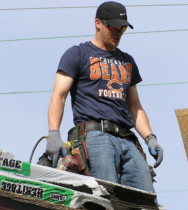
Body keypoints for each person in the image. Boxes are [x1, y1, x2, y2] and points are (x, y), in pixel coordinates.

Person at [45, 1, 163, 195]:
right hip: (96, 136)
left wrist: (150, 138)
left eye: (123, 28)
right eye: (114, 27)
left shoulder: (127, 61)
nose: (118, 32)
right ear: (98, 23)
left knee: (146, 199)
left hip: (127, 138)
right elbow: (59, 95)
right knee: (106, 196)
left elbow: (135, 106)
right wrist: (54, 133)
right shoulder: (78, 54)